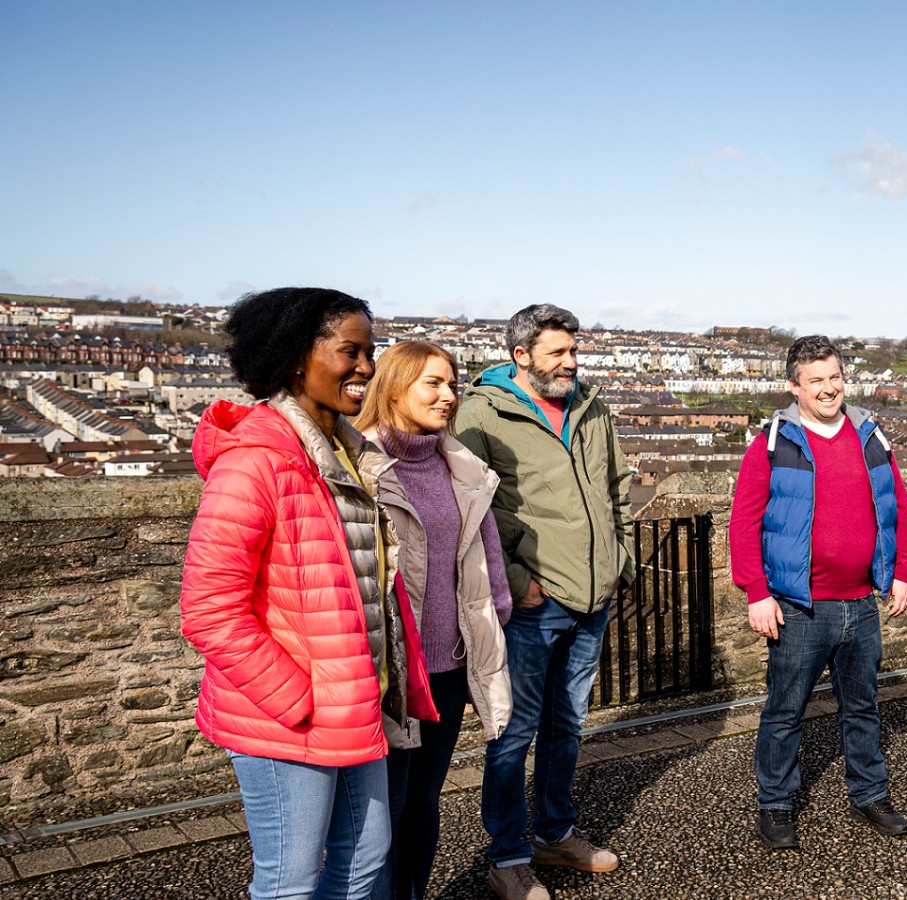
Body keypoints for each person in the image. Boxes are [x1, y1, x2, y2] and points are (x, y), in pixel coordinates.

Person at [182, 287, 431, 899]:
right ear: (297, 359)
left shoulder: (349, 455)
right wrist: (300, 699)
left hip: (353, 702)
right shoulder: (254, 463)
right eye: (351, 351)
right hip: (289, 714)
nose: (367, 367)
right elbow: (209, 610)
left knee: (365, 857)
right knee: (288, 880)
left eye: (370, 351)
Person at [455, 304, 634, 900]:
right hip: (535, 602)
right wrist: (514, 580)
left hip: (592, 597)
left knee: (567, 726)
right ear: (520, 355)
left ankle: (554, 833)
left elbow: (616, 488)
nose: (570, 362)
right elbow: (469, 510)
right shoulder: (481, 413)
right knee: (513, 732)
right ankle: (507, 856)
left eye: (574, 350)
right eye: (557, 352)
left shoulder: (590, 405)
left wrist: (619, 561)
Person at [729, 334, 907, 851]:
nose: (829, 388)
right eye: (816, 380)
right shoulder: (773, 443)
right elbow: (743, 523)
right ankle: (775, 803)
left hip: (861, 603)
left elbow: (897, 507)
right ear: (795, 387)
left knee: (862, 708)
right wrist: (756, 592)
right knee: (784, 712)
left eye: (835, 377)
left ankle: (869, 794)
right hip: (799, 608)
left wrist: (902, 571)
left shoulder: (871, 436)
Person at [356, 340, 515, 900]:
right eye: (434, 383)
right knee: (384, 810)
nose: (449, 395)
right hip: (390, 672)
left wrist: (494, 620)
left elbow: (487, 559)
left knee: (424, 803)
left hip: (446, 667)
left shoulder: (460, 465)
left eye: (453, 384)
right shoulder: (361, 465)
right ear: (395, 386)